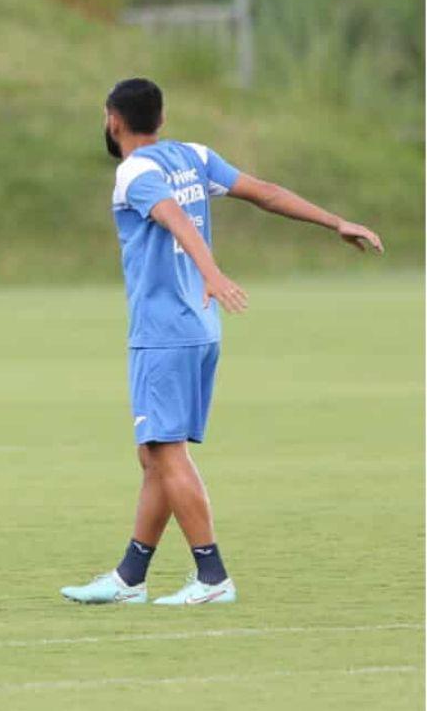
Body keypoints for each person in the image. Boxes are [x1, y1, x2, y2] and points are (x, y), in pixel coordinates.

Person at [62, 77, 383, 606]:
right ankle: (129, 577)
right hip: (201, 326)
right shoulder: (193, 155)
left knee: (165, 452)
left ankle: (212, 577)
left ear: (112, 120)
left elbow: (173, 219)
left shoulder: (133, 173)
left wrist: (211, 271)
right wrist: (336, 222)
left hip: (165, 331)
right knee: (155, 454)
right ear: (162, 120)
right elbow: (266, 193)